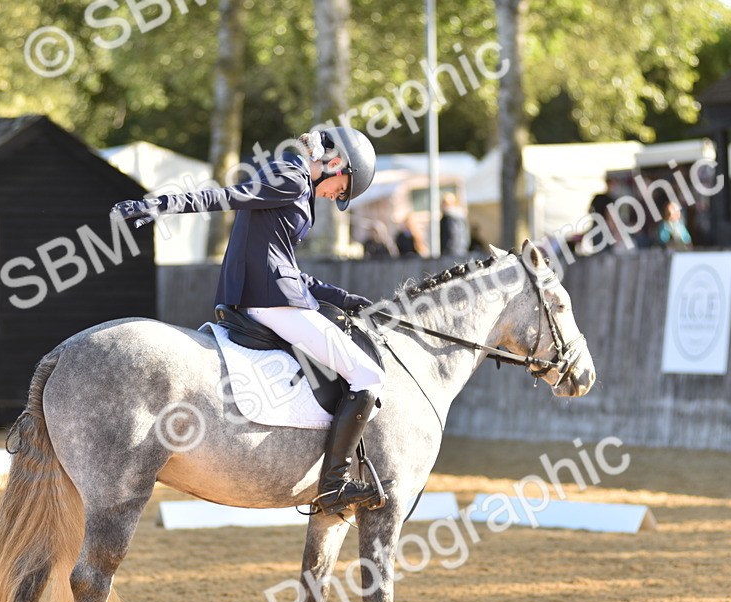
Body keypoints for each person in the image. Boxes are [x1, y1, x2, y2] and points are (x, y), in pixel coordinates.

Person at [112, 127, 391, 516]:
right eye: (343, 190)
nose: (336, 197)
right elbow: (225, 196)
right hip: (273, 303)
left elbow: (287, 268)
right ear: (337, 164)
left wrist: (345, 299)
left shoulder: (290, 179)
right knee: (368, 376)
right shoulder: (292, 179)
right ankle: (334, 484)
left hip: (268, 295)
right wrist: (161, 204)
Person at [438, 193, 470, 258]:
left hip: (452, 252)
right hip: (461, 251)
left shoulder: (450, 218)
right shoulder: (460, 216)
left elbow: (453, 235)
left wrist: (447, 251)